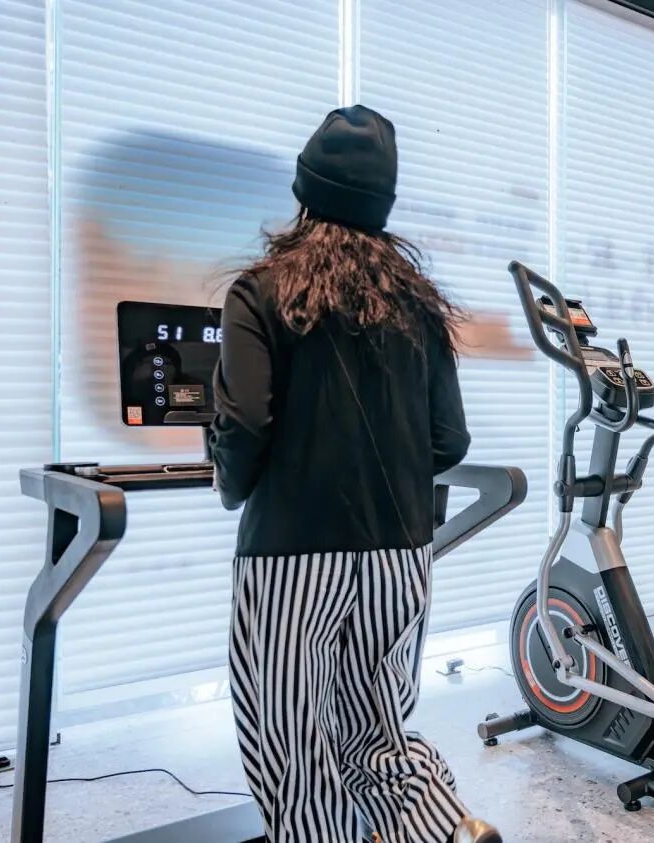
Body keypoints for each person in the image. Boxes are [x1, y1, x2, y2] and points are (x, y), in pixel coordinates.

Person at [211, 105, 498, 843]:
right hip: (400, 552)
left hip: (292, 554)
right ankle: (444, 830)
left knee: (292, 738)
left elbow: (243, 423)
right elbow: (450, 439)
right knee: (378, 727)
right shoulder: (417, 305)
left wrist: (233, 488)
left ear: (303, 191)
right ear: (383, 207)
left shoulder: (260, 291)